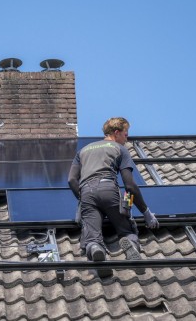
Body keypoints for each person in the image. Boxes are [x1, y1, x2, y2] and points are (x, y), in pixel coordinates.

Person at [68, 117, 159, 275]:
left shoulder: (83, 151)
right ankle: (130, 244)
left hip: (87, 192)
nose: (127, 138)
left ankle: (95, 248)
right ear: (116, 133)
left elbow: (71, 179)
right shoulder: (120, 149)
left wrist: (81, 200)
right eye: (125, 134)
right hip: (108, 189)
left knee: (91, 235)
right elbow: (130, 185)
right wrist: (146, 212)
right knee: (126, 229)